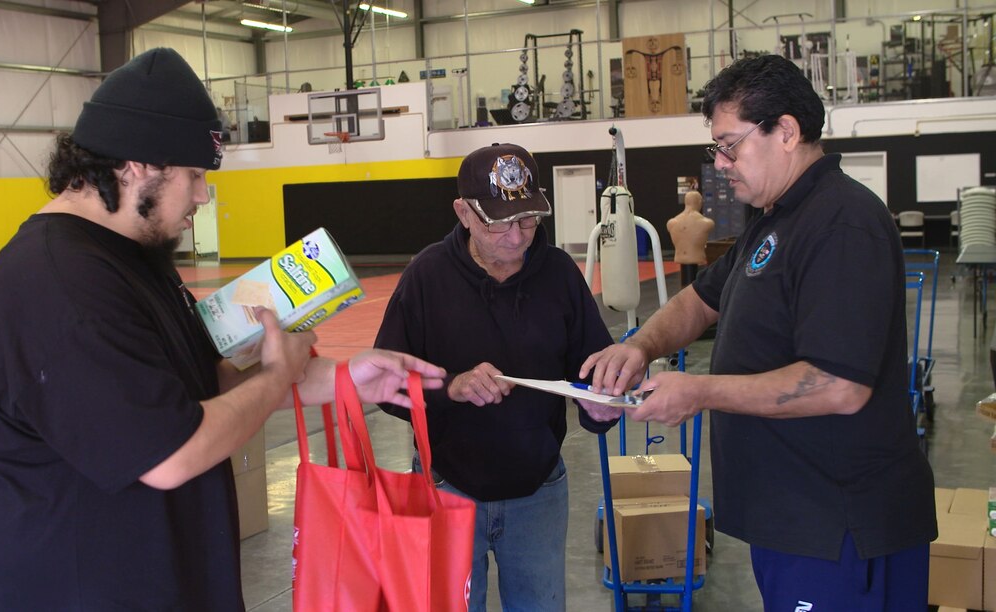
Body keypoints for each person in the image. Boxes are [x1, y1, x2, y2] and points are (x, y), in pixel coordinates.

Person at [0, 47, 444, 611]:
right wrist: (276, 377)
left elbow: (205, 382)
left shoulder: (133, 260)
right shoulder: (57, 283)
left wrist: (341, 378)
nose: (202, 195)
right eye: (194, 175)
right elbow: (169, 455)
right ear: (136, 163)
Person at [580, 54, 936, 611]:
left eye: (729, 145)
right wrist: (638, 346)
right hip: (794, 520)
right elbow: (700, 300)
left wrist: (699, 391)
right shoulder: (775, 218)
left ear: (787, 131)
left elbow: (839, 384)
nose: (720, 163)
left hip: (840, 528)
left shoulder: (841, 223)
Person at [373, 143, 622, 611]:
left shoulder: (560, 274)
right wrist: (452, 387)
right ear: (463, 212)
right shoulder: (427, 276)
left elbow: (592, 369)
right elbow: (385, 384)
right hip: (448, 490)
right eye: (498, 222)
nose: (516, 237)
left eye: (527, 220)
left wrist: (602, 402)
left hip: (540, 493)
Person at [666, 190, 715, 285]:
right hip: (696, 258)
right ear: (700, 202)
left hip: (680, 257)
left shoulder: (671, 223)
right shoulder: (707, 223)